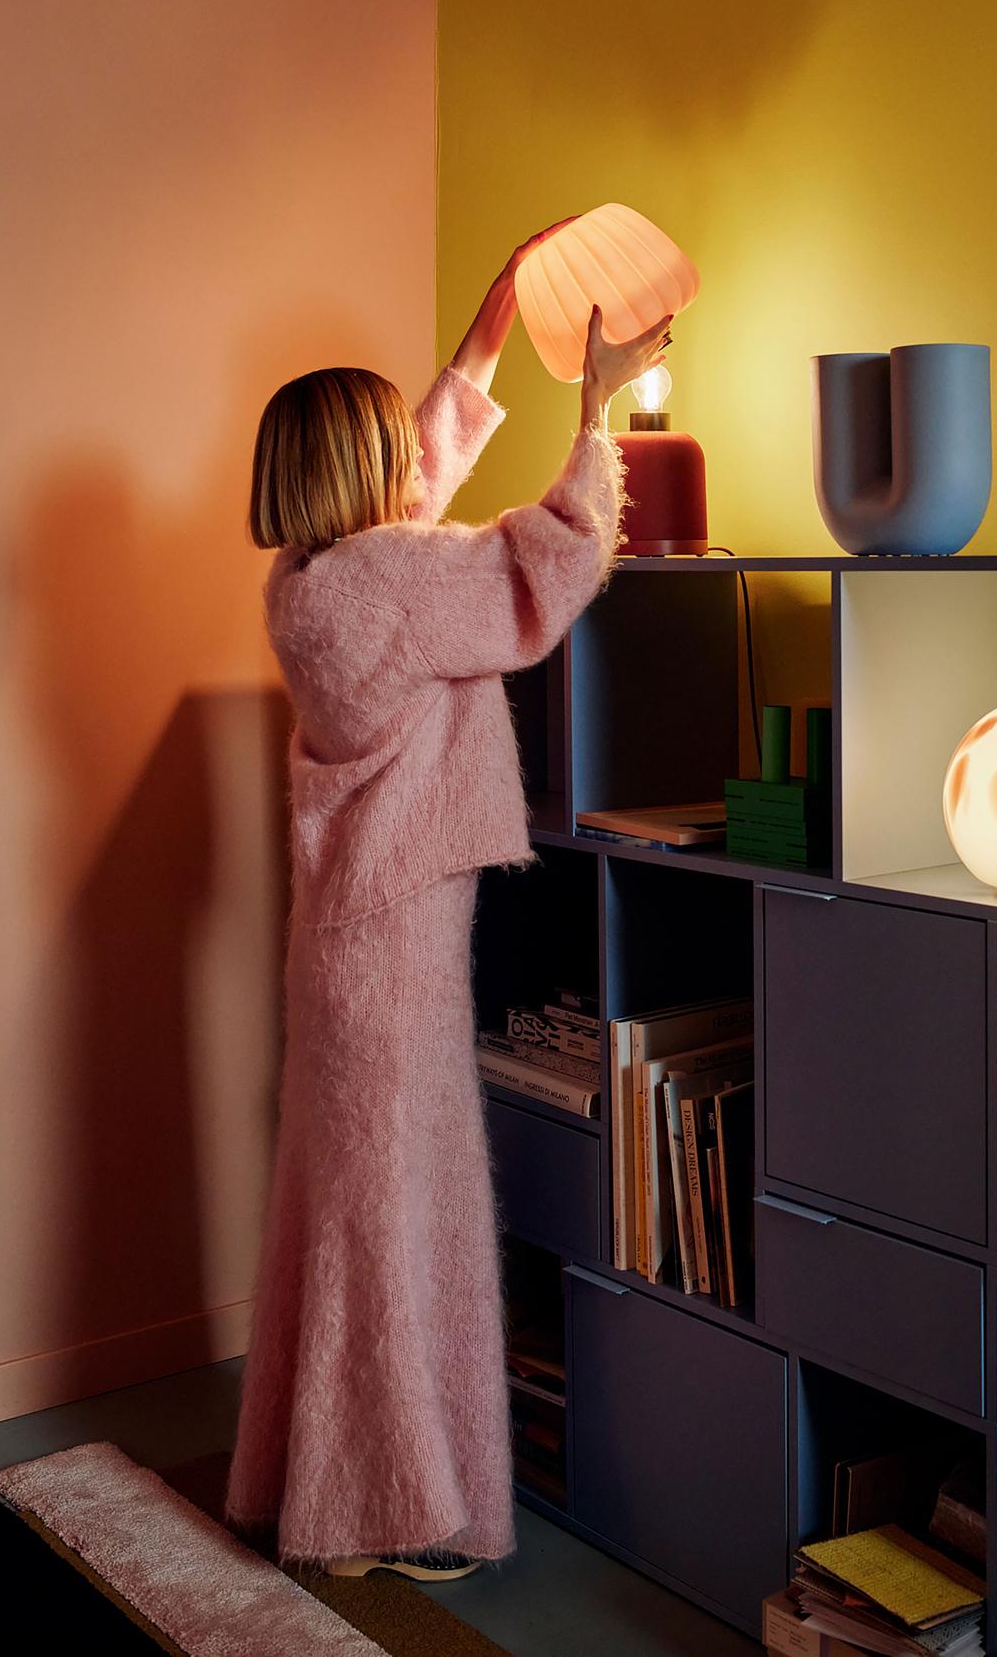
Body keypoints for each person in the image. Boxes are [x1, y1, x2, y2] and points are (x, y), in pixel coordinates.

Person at [224, 221, 672, 1582]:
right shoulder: (403, 584)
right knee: (401, 1231)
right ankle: (382, 1509)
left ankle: (327, 1481)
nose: (414, 466)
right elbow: (540, 572)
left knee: (354, 1215)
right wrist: (598, 409)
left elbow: (422, 481)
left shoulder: (309, 584)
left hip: (345, 945)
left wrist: (490, 331)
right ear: (365, 473)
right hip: (399, 949)